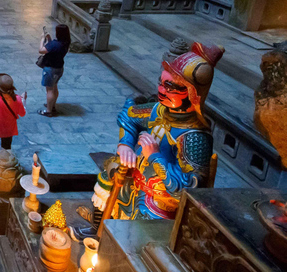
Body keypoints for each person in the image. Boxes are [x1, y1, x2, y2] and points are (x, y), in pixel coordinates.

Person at [70, 43, 224, 240]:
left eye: (170, 86)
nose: (161, 90)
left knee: (136, 238)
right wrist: (125, 143)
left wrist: (155, 156)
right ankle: (97, 229)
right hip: (135, 181)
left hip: (161, 200)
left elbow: (189, 188)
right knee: (110, 173)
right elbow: (129, 115)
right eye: (161, 82)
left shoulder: (194, 137)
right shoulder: (158, 110)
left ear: (192, 94)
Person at [0, 73, 27, 158]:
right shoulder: (17, 99)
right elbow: (22, 113)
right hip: (8, 128)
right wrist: (23, 101)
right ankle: (5, 162)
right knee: (6, 147)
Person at [38, 24, 70, 117]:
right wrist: (49, 38)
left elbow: (41, 50)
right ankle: (52, 105)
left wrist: (41, 39)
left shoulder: (55, 44)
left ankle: (48, 111)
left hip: (50, 69)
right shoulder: (65, 42)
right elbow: (52, 48)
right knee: (54, 87)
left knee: (50, 90)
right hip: (59, 68)